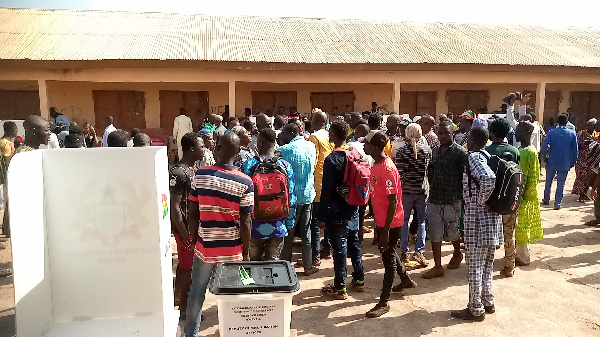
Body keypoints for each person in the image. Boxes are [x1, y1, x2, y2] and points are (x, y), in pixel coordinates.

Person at [184, 132, 254, 337]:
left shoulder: (201, 174)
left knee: (196, 293)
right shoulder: (245, 182)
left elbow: (193, 212)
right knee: (232, 297)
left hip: (205, 248)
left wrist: (194, 237)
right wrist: (246, 252)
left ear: (218, 149)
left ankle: (190, 334)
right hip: (232, 251)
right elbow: (246, 222)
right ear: (238, 151)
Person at [451, 126, 503, 322]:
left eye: (468, 138)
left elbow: (488, 179)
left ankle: (475, 308)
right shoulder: (487, 155)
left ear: (473, 140)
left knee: (474, 265)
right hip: (491, 219)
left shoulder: (474, 157)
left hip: (477, 219)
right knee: (487, 264)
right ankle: (487, 301)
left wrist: (480, 201)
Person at [363, 130, 416, 317]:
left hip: (391, 222)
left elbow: (393, 201)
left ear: (376, 148)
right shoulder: (376, 164)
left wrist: (385, 231)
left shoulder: (387, 168)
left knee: (388, 260)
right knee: (390, 251)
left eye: (367, 144)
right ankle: (405, 279)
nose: (363, 146)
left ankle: (384, 303)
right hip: (381, 219)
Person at [318, 119, 364, 300]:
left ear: (334, 135)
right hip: (353, 206)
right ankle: (359, 280)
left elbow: (327, 191)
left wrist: (322, 216)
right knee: (354, 243)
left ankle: (340, 287)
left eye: (330, 133)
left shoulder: (332, 159)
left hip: (336, 210)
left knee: (339, 249)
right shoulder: (355, 153)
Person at [422, 121, 469, 279]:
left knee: (452, 232)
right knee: (435, 233)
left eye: (446, 133)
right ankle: (437, 266)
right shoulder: (434, 151)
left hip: (452, 199)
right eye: (440, 133)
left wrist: (463, 200)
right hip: (435, 198)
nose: (442, 136)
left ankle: (457, 252)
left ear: (452, 134)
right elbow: (430, 172)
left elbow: (466, 178)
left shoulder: (461, 153)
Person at [242, 129, 296, 261]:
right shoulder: (285, 166)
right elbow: (292, 198)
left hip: (254, 227)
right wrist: (289, 224)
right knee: (273, 266)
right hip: (278, 226)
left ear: (260, 143)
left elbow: (243, 198)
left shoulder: (248, 165)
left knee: (253, 265)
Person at [169, 132, 204, 321]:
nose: (204, 149)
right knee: (187, 268)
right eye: (201, 146)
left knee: (186, 267)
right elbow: (175, 207)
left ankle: (180, 301)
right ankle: (184, 309)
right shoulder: (178, 172)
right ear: (192, 149)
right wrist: (185, 233)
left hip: (192, 229)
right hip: (185, 231)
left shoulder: (193, 169)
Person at [278, 123, 317, 274]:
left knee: (289, 233)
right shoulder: (311, 146)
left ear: (292, 133)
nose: (283, 137)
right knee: (306, 231)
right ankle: (308, 265)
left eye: (285, 134)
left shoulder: (284, 150)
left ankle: (285, 266)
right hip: (307, 194)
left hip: (291, 197)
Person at [485, 118, 520, 276]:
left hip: (492, 200)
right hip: (510, 198)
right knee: (509, 233)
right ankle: (509, 265)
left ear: (492, 133)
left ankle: (486, 263)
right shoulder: (514, 151)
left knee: (490, 233)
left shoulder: (487, 151)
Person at [395, 123, 431, 266]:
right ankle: (419, 251)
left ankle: (404, 252)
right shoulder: (427, 150)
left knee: (404, 221)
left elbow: (399, 173)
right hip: (422, 190)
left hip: (406, 191)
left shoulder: (402, 151)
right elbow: (429, 170)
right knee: (421, 221)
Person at [514, 122, 543, 268]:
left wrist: (523, 196)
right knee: (519, 227)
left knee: (522, 228)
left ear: (527, 133)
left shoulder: (529, 152)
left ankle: (523, 258)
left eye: (518, 131)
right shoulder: (522, 149)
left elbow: (531, 177)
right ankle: (518, 254)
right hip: (522, 195)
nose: (515, 133)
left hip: (525, 197)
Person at [309, 110, 335, 260]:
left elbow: (314, 160)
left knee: (316, 221)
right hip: (330, 181)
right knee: (329, 219)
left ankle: (316, 255)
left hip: (318, 182)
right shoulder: (329, 135)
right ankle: (327, 249)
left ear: (316, 122)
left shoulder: (314, 137)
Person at [541, 114, 579, 210]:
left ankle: (546, 199)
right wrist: (574, 160)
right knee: (561, 183)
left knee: (548, 181)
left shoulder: (551, 132)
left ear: (557, 121)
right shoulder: (572, 133)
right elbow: (575, 149)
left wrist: (544, 156)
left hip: (552, 160)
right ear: (567, 122)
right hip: (565, 161)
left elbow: (545, 144)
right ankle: (557, 203)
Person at [572, 119, 599, 202]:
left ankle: (585, 193)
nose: (590, 127)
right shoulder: (581, 134)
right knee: (581, 177)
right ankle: (581, 195)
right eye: (588, 125)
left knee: (589, 178)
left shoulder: (596, 135)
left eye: (592, 125)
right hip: (581, 160)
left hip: (591, 161)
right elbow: (576, 145)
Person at [0, 121, 17, 237]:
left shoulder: (2, 141)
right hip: (7, 175)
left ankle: (6, 229)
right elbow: (7, 161)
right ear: (12, 130)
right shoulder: (7, 144)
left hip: (4, 175)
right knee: (8, 202)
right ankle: (7, 229)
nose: (17, 131)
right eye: (16, 130)